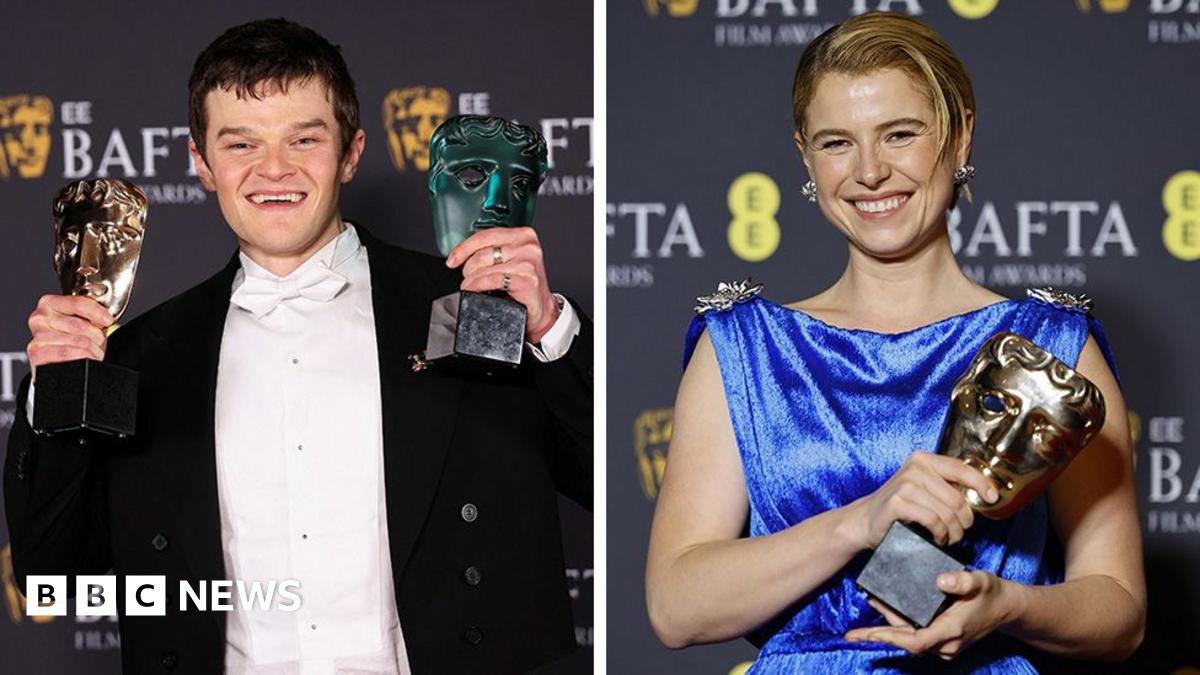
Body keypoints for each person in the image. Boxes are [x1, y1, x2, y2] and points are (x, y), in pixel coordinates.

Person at [4, 18, 591, 675]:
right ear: (201, 163)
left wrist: (548, 328)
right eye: (241, 143)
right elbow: (53, 576)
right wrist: (55, 392)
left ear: (351, 153)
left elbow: (600, 484)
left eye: (304, 139)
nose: (274, 169)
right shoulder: (141, 355)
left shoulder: (477, 309)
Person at [645, 12, 1143, 673]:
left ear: (959, 137)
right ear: (805, 156)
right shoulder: (742, 350)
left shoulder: (1050, 350)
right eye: (836, 143)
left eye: (900, 134)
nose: (870, 171)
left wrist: (1009, 605)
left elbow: (1120, 611)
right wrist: (858, 522)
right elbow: (675, 607)